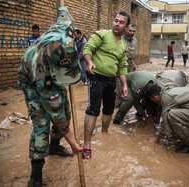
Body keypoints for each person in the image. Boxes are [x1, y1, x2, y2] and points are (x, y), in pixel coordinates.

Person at [18, 8, 83, 186]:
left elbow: (63, 12)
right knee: (42, 125)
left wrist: (64, 10)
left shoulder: (64, 28)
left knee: (67, 112)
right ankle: (36, 177)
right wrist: (72, 142)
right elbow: (55, 112)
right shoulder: (42, 75)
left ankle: (54, 147)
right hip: (30, 80)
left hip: (49, 70)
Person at [82, 11, 130, 159]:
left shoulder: (123, 45)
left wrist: (124, 84)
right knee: (93, 109)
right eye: (116, 20)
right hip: (95, 76)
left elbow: (122, 67)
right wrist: (90, 62)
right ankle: (87, 143)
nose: (117, 24)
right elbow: (87, 49)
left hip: (111, 80)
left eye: (121, 22)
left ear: (126, 26)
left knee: (109, 109)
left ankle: (104, 133)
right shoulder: (102, 34)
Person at [115, 23, 138, 108]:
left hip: (131, 66)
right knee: (119, 86)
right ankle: (117, 105)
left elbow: (133, 54)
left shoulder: (135, 41)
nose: (132, 33)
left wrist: (134, 64)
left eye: (134, 31)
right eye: (130, 30)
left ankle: (125, 102)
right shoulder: (120, 39)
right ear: (125, 29)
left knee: (128, 85)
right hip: (121, 66)